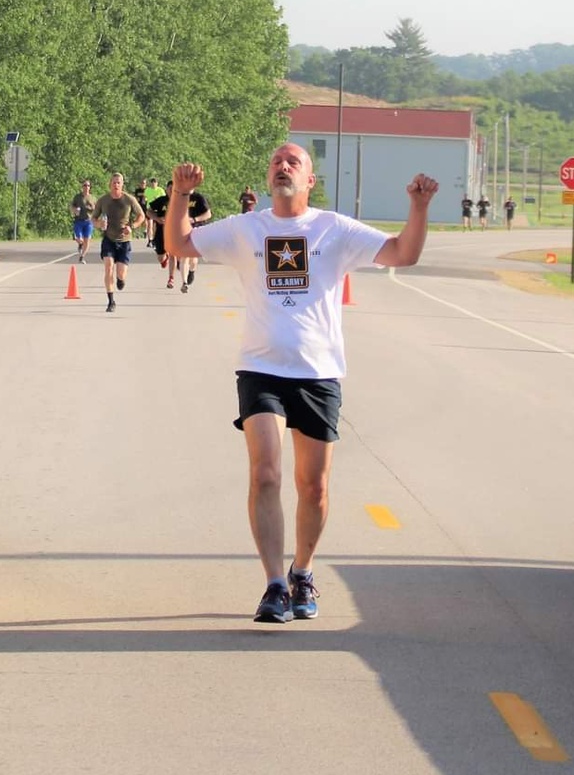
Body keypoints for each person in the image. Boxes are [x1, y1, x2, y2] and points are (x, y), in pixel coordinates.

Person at [165, 142, 438, 625]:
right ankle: (273, 584)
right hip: (261, 368)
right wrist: (180, 196)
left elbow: (403, 253)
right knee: (265, 473)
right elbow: (179, 244)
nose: (284, 165)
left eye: (294, 162)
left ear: (310, 180)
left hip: (318, 373)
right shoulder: (247, 228)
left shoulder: (333, 229)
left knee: (312, 486)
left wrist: (418, 208)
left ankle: (302, 572)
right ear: (268, 177)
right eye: (277, 161)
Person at [92, 173, 144, 314]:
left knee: (121, 274)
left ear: (122, 185)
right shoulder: (103, 200)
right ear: (110, 184)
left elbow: (141, 216)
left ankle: (120, 280)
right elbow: (93, 219)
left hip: (124, 241)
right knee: (108, 267)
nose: (116, 185)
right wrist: (99, 224)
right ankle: (111, 301)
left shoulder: (129, 200)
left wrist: (131, 226)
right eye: (114, 182)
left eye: (119, 183)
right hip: (108, 239)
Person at [177, 184, 211, 293]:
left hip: (197, 230)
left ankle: (191, 271)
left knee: (193, 260)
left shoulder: (199, 198)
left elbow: (208, 214)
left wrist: (195, 219)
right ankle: (184, 283)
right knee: (184, 257)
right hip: (184, 231)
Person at [70, 179, 96, 263]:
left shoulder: (92, 198)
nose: (86, 187)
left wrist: (91, 208)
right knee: (79, 238)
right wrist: (75, 210)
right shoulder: (77, 197)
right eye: (85, 185)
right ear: (82, 187)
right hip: (79, 221)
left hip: (88, 221)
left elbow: (96, 209)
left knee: (87, 239)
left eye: (88, 185)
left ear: (90, 187)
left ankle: (82, 256)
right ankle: (80, 244)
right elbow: (72, 206)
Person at [144, 177, 166, 247]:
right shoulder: (147, 190)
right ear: (150, 183)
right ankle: (150, 240)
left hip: (158, 210)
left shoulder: (160, 190)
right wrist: (146, 200)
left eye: (155, 182)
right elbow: (145, 198)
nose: (153, 184)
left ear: (157, 183)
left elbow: (164, 200)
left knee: (156, 226)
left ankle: (155, 239)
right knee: (149, 225)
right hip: (150, 210)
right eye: (152, 182)